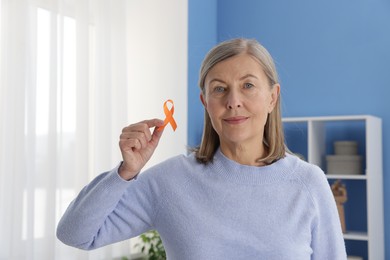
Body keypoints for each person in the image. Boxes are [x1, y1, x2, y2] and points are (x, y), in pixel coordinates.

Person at [57, 38, 347, 259]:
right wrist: (125, 172)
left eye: (247, 85)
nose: (233, 100)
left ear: (273, 97)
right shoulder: (170, 181)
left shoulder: (308, 183)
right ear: (205, 102)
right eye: (219, 88)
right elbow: (76, 234)